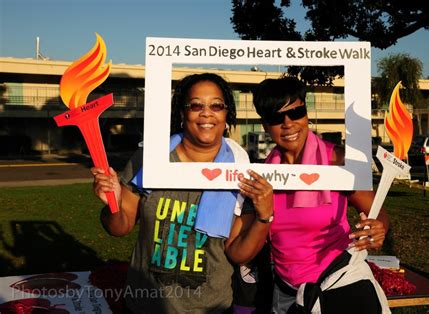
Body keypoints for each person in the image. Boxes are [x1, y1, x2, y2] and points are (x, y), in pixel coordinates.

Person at [91, 73, 273, 313]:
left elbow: (238, 253)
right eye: (196, 105)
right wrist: (113, 203)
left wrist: (264, 217)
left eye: (216, 105)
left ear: (226, 114)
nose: (206, 113)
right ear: (181, 113)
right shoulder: (151, 159)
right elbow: (118, 227)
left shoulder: (240, 170)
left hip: (212, 308)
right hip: (145, 305)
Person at [252, 76, 391, 313]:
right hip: (288, 293)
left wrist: (378, 228)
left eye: (296, 113)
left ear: (306, 114)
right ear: (265, 126)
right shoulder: (263, 175)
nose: (288, 123)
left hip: (341, 282)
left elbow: (378, 212)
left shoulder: (337, 159)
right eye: (276, 117)